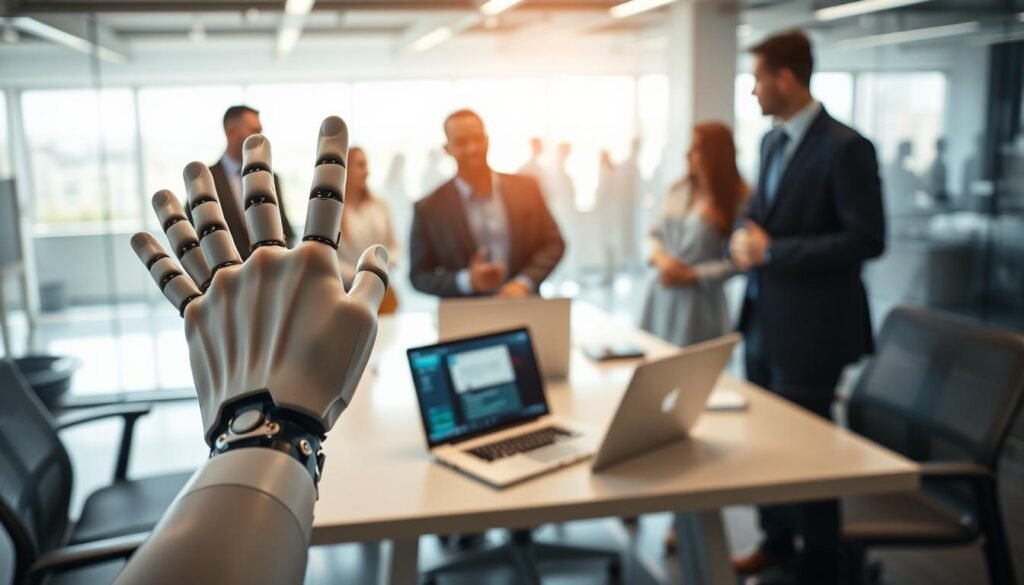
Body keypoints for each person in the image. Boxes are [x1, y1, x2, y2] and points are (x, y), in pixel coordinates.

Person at [117, 116, 388, 583]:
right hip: (235, 303)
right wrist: (278, 428)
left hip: (245, 316)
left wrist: (245, 426)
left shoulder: (274, 184)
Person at [728, 30, 885, 584]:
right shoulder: (772, 142)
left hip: (815, 329)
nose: (752, 92)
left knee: (810, 454)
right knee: (766, 445)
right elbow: (759, 219)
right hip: (762, 320)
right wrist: (744, 240)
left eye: (757, 79)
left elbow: (867, 239)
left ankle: (820, 565)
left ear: (784, 79)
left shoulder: (845, 147)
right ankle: (775, 543)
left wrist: (776, 251)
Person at [408, 109, 565, 298]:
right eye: (461, 142)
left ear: (487, 139)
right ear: (447, 149)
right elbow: (419, 275)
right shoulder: (429, 208)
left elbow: (554, 243)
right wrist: (467, 280)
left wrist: (524, 282)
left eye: (477, 139)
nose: (472, 148)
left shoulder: (527, 189)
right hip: (465, 316)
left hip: (523, 308)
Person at [640, 122, 747, 348]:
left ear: (714, 155)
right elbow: (653, 235)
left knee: (694, 372)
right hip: (662, 292)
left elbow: (738, 261)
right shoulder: (676, 190)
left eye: (696, 148)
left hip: (700, 304)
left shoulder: (737, 200)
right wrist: (662, 260)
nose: (688, 154)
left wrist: (692, 275)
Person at [186, 105, 296, 259]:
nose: (260, 138)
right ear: (230, 131)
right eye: (254, 131)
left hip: (272, 272)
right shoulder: (202, 181)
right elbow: (194, 237)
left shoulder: (271, 177)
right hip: (226, 277)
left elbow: (286, 229)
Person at [339, 147, 401, 313]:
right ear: (345, 169)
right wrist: (361, 276)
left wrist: (382, 268)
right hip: (348, 295)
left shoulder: (380, 205)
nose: (366, 172)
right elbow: (328, 256)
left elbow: (394, 246)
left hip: (383, 293)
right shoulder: (333, 211)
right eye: (360, 165)